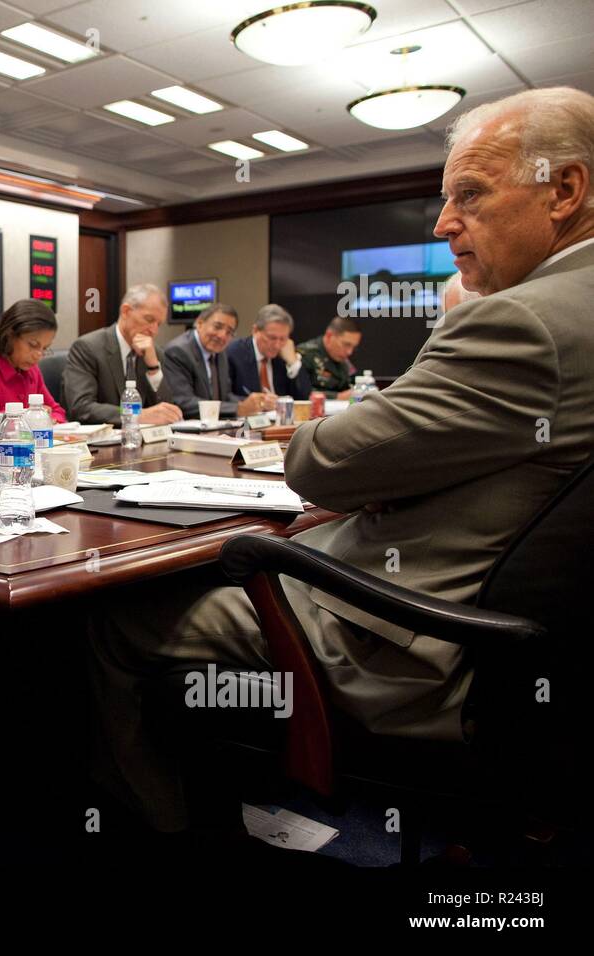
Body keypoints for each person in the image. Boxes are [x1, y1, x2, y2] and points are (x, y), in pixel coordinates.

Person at [88, 85, 594, 834]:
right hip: (529, 647)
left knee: (106, 615)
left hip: (415, 645)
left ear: (566, 190)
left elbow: (321, 463)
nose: (443, 221)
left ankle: (163, 841)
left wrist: (452, 330)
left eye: (470, 194)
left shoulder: (520, 321)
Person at [63, 283, 183, 425]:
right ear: (126, 311)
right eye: (149, 320)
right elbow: (81, 408)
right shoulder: (87, 347)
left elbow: (165, 411)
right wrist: (135, 415)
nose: (154, 331)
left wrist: (153, 368)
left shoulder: (154, 353)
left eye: (159, 324)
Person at [162, 304, 274, 418]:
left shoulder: (220, 352)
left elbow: (225, 396)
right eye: (217, 327)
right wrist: (238, 409)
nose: (222, 336)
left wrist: (256, 403)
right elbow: (184, 402)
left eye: (229, 332)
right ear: (199, 323)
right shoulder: (177, 351)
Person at [225, 304, 313, 401]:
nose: (277, 345)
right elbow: (226, 398)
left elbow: (304, 398)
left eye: (283, 339)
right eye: (272, 338)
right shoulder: (233, 352)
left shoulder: (284, 356)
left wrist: (293, 363)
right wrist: (260, 403)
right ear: (255, 331)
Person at [297, 316, 363, 399]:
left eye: (354, 347)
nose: (350, 352)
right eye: (346, 345)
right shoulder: (305, 355)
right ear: (329, 336)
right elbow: (300, 392)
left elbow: (351, 385)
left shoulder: (343, 360)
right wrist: (337, 397)